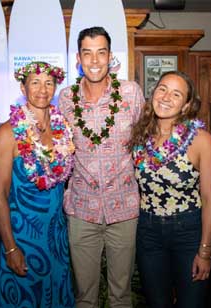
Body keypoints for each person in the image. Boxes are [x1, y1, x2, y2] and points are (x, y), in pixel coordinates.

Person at [58, 27, 145, 307]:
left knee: (121, 295)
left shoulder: (130, 93)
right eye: (87, 53)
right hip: (82, 208)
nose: (94, 60)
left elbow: (145, 141)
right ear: (78, 59)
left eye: (101, 52)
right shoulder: (65, 99)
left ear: (110, 56)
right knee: (85, 296)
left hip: (124, 207)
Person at [128, 70, 211, 308]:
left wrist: (205, 251)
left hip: (188, 232)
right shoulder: (140, 137)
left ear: (186, 105)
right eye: (162, 89)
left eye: (176, 94)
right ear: (153, 93)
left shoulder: (201, 140)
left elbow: (210, 199)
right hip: (147, 232)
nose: (166, 97)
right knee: (157, 303)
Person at [0, 61, 75, 307]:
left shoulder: (63, 129)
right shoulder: (8, 133)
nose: (42, 89)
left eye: (49, 83)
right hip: (22, 237)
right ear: (23, 87)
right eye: (35, 83)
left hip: (57, 237)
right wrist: (10, 248)